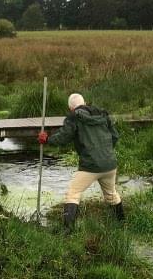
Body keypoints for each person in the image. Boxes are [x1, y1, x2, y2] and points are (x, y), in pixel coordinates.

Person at [38, 93, 123, 233]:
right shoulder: (102, 115)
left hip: (90, 166)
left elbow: (63, 137)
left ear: (71, 108)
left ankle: (67, 230)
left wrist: (47, 140)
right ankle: (121, 223)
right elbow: (115, 136)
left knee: (73, 193)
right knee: (111, 195)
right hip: (110, 164)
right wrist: (105, 152)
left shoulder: (74, 117)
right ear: (85, 103)